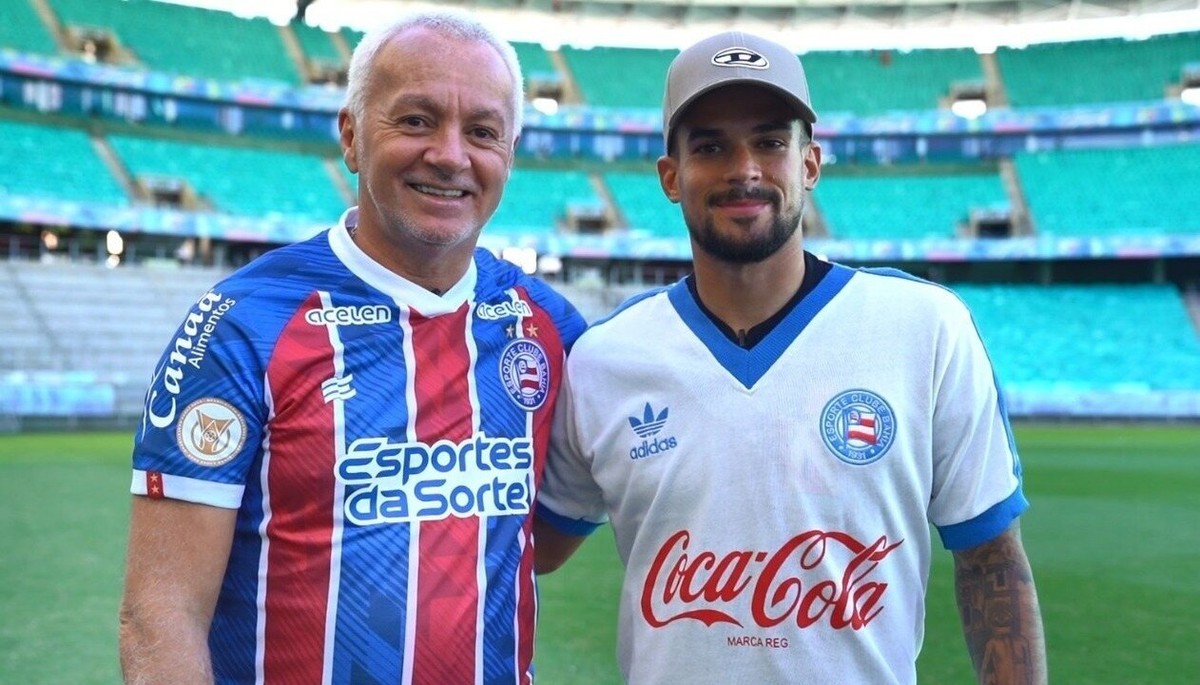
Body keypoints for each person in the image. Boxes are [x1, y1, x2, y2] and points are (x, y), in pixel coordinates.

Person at [533, 30, 1048, 684]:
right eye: (711, 145)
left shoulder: (925, 328)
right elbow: (531, 548)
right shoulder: (604, 360)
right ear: (670, 176)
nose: (744, 167)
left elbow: (992, 562)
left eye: (771, 141)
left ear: (810, 163)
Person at [119, 11, 586, 684]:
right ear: (352, 135)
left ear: (509, 151)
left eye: (482, 131)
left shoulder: (548, 327)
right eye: (417, 120)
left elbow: (548, 535)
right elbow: (161, 611)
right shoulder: (243, 324)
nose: (451, 155)